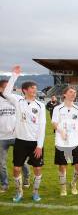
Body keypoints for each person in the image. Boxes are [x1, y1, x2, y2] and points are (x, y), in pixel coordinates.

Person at [3, 67, 46, 202]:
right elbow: (6, 92)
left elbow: (42, 126)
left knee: (37, 168)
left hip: (35, 143)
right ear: (25, 90)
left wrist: (39, 145)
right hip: (20, 141)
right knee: (16, 168)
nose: (34, 90)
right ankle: (19, 192)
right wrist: (14, 75)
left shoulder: (40, 105)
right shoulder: (18, 101)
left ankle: (35, 192)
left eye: (35, 88)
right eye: (32, 88)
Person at [0, 67, 30, 193]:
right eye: (6, 87)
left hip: (17, 135)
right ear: (1, 89)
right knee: (1, 164)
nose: (9, 89)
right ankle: (5, 184)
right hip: (1, 138)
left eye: (10, 87)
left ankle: (27, 179)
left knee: (22, 161)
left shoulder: (17, 99)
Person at [52, 86, 78, 196]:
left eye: (75, 92)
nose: (73, 94)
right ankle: (63, 187)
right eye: (71, 92)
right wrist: (61, 131)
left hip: (75, 143)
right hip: (61, 143)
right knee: (62, 166)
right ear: (65, 94)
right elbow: (54, 123)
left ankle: (73, 183)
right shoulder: (57, 109)